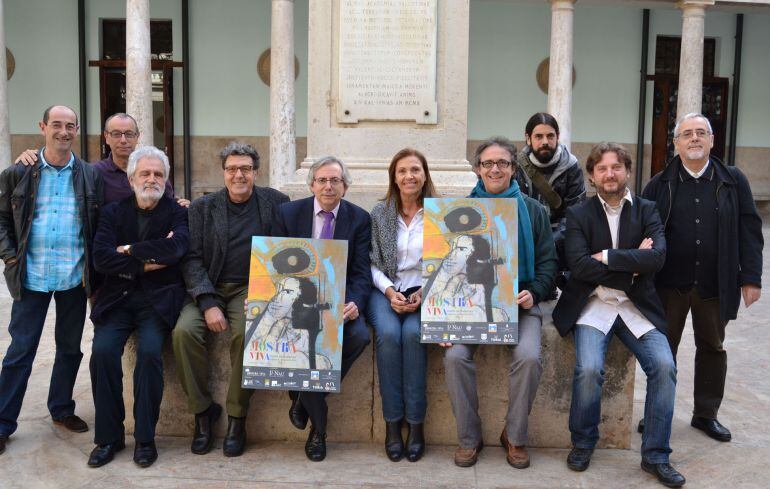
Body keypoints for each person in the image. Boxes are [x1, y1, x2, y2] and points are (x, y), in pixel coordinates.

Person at [552, 142, 685, 487]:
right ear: (592, 175)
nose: (609, 174)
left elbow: (657, 258)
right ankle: (583, 442)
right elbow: (579, 266)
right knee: (589, 369)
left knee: (665, 367)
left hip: (634, 305)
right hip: (593, 303)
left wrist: (608, 257)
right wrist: (632, 264)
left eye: (616, 167)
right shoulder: (579, 214)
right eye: (602, 169)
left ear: (627, 170)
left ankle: (656, 455)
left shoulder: (648, 210)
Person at [641, 113, 763, 442]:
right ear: (676, 143)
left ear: (711, 140)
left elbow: (750, 230)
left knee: (712, 347)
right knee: (662, 351)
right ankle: (656, 411)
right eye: (687, 134)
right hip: (669, 285)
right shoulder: (659, 183)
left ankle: (706, 414)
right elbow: (643, 230)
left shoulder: (734, 180)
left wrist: (751, 278)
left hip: (715, 282)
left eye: (700, 133)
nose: (694, 138)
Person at [443, 136, 558, 469]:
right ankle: (469, 437)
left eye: (503, 163)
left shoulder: (534, 211)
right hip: (469, 306)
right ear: (478, 169)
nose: (495, 169)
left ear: (513, 168)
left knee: (529, 357)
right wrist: (442, 317)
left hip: (519, 304)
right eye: (488, 163)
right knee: (454, 357)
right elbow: (446, 265)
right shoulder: (458, 213)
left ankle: (515, 435)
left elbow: (549, 262)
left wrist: (534, 292)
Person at [173, 141, 289, 457]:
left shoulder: (276, 203)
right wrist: (207, 302)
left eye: (245, 169)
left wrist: (266, 293)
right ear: (223, 172)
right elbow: (191, 259)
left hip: (250, 288)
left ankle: (238, 417)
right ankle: (202, 413)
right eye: (232, 169)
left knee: (248, 333)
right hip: (208, 286)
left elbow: (284, 250)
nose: (239, 175)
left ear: (256, 172)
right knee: (183, 332)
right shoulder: (202, 208)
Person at [0, 105, 103, 455]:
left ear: (77, 130)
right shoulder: (20, 171)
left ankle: (61, 408)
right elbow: (2, 218)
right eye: (56, 124)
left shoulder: (89, 175)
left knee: (70, 348)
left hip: (74, 276)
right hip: (31, 276)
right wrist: (11, 257)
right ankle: (3, 423)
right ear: (43, 127)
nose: (63, 131)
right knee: (20, 351)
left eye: (70, 125)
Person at [87, 146, 189, 468]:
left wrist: (129, 250)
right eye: (145, 173)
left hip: (156, 301)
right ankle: (109, 437)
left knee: (148, 355)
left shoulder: (177, 212)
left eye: (158, 174)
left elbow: (176, 249)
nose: (151, 179)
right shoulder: (112, 213)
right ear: (131, 179)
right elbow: (101, 258)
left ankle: (145, 438)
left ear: (166, 180)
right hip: (117, 299)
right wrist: (146, 262)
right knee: (102, 353)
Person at [274, 156, 372, 462]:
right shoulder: (288, 213)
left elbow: (360, 272)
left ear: (345, 186)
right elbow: (274, 264)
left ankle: (303, 395)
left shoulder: (359, 219)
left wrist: (354, 302)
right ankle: (319, 430)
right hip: (296, 301)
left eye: (335, 181)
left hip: (338, 302)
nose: (329, 186)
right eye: (322, 180)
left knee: (359, 336)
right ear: (312, 185)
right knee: (307, 338)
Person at [366, 148, 437, 462]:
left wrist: (425, 290)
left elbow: (448, 261)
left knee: (413, 334)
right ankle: (393, 424)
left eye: (415, 170)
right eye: (402, 171)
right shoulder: (380, 213)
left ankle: (416, 424)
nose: (409, 176)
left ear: (425, 175)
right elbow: (369, 262)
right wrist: (389, 291)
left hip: (426, 290)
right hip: (385, 289)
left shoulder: (439, 213)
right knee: (389, 334)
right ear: (394, 178)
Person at [15, 112, 190, 207]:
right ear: (106, 137)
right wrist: (34, 156)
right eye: (116, 134)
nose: (123, 140)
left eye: (129, 134)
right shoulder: (92, 173)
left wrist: (183, 205)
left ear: (137, 137)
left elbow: (167, 204)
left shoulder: (153, 173)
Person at [515, 112, 586, 270]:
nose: (545, 142)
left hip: (560, 243)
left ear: (557, 136)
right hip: (524, 239)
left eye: (550, 136)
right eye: (538, 136)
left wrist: (549, 242)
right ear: (528, 138)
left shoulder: (572, 166)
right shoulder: (517, 166)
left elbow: (575, 214)